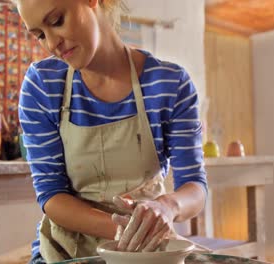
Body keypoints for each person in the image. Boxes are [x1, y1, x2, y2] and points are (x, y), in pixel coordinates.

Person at [15, 0, 207, 263]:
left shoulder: (170, 84)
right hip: (67, 251)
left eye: (57, 21)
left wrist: (166, 207)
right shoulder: (43, 85)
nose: (51, 44)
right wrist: (129, 230)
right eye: (39, 35)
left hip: (149, 248)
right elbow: (51, 195)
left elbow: (194, 187)